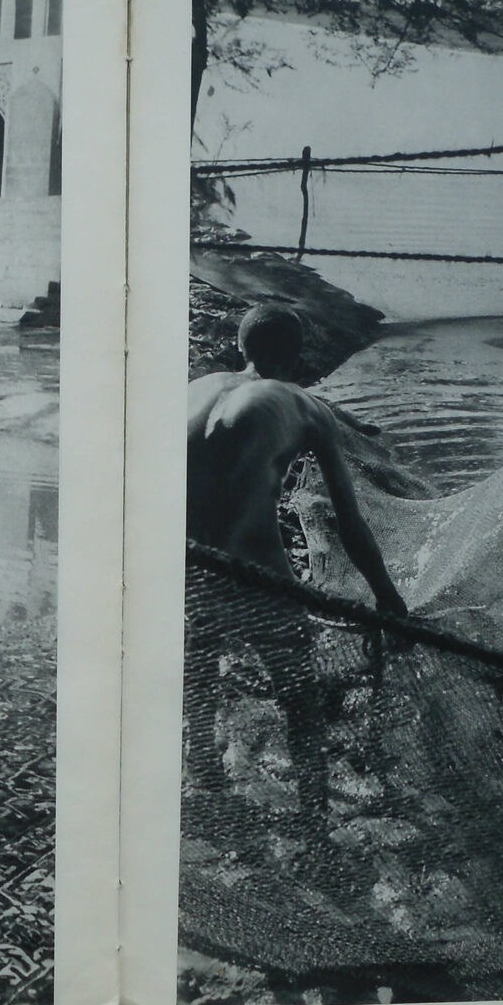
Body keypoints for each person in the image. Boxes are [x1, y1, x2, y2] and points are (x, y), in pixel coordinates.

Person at [185, 304, 406, 834]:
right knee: (300, 701)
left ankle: (207, 781)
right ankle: (314, 821)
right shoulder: (309, 411)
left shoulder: (194, 389)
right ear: (297, 354)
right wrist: (387, 599)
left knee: (199, 675)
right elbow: (349, 523)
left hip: (187, 566)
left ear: (241, 348)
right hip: (257, 577)